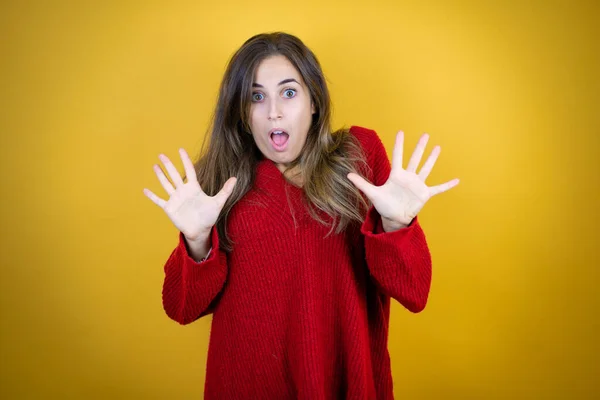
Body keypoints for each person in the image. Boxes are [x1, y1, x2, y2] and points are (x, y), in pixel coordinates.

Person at [143, 32, 459, 400]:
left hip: (345, 382)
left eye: (289, 92)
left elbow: (415, 292)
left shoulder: (359, 155)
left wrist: (396, 226)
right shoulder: (220, 183)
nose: (274, 110)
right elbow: (181, 307)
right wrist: (197, 242)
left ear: (313, 101)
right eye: (256, 97)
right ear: (242, 115)